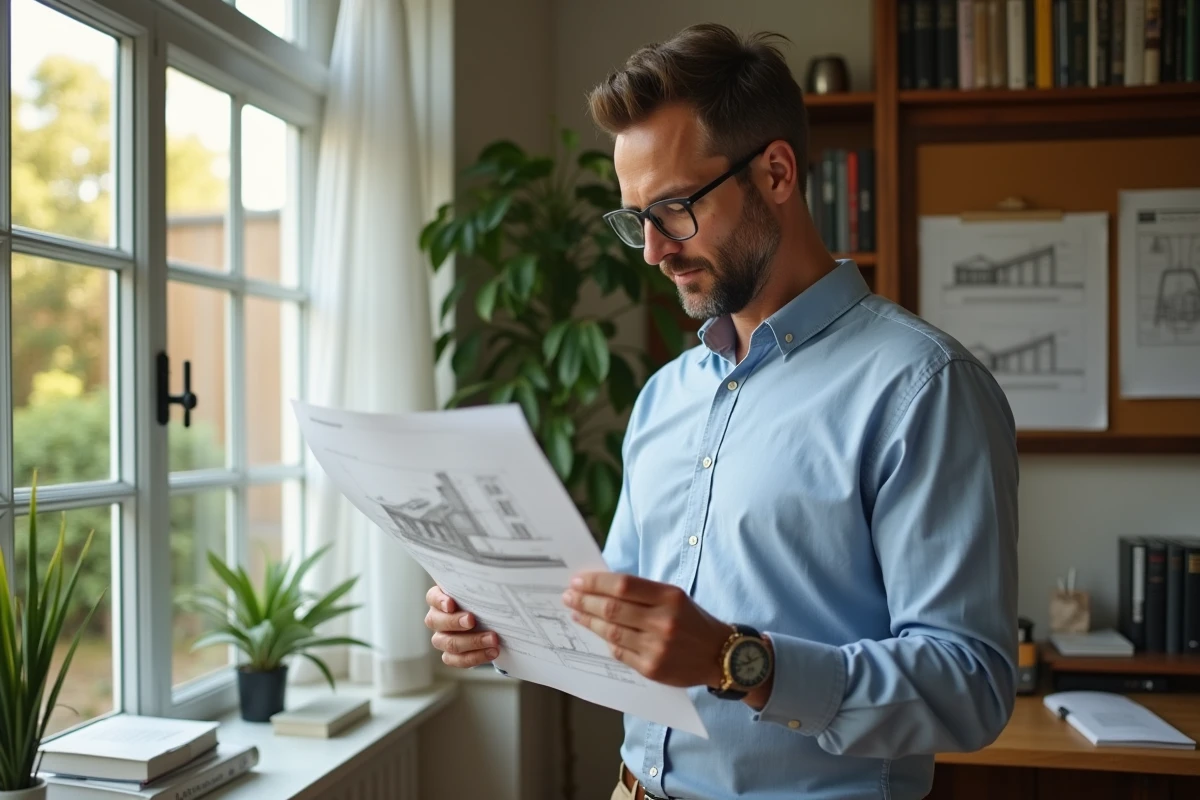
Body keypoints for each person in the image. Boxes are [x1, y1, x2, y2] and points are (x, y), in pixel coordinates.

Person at [425, 22, 1019, 800]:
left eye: (673, 208)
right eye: (635, 217)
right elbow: (624, 629)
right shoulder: (665, 395)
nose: (652, 250)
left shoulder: (924, 387)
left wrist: (737, 660)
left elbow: (970, 687)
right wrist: (502, 627)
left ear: (776, 172)